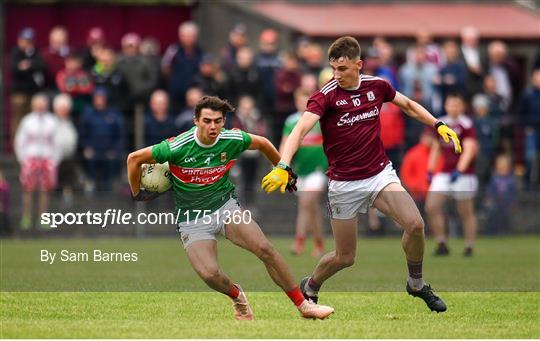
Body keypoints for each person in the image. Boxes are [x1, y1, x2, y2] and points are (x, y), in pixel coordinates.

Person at [262, 36, 462, 313]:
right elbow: (299, 130)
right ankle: (312, 285)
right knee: (345, 257)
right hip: (344, 183)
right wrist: (283, 164)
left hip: (379, 175)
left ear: (359, 64)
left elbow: (407, 105)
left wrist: (438, 124)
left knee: (415, 224)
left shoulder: (377, 86)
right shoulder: (326, 95)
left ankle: (416, 283)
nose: (336, 75)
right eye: (333, 69)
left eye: (342, 69)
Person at [126, 96, 334, 321]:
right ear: (196, 121)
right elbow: (134, 159)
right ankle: (237, 296)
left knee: (265, 249)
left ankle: (304, 305)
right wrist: (138, 193)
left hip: (225, 207)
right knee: (210, 274)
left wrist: (284, 169)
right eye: (207, 120)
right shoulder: (176, 146)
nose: (213, 126)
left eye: (218, 121)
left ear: (224, 121)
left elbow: (263, 143)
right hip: (192, 217)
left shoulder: (232, 139)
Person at [425, 93, 479, 257]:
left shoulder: (466, 124)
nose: (453, 107)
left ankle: (469, 246)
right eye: (451, 103)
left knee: (465, 211)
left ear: (462, 107)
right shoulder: (441, 123)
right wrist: (430, 169)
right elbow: (436, 147)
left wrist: (460, 170)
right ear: (446, 106)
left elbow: (469, 149)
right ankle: (441, 243)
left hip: (463, 174)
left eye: (457, 104)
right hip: (444, 173)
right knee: (432, 206)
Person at [281, 88, 327, 257]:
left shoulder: (319, 118)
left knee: (306, 202)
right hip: (301, 171)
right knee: (312, 208)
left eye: (306, 101)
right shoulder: (291, 121)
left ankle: (299, 242)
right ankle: (319, 244)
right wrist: (280, 165)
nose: (302, 104)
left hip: (319, 170)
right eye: (299, 101)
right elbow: (285, 144)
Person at [14, 94, 59, 230]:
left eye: (42, 103)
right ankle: (26, 218)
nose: (40, 106)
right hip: (30, 158)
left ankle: (43, 218)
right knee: (27, 189)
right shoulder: (27, 121)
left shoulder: (52, 121)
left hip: (47, 159)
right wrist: (22, 158)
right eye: (37, 103)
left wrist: (54, 159)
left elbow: (57, 142)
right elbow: (20, 141)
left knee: (44, 190)